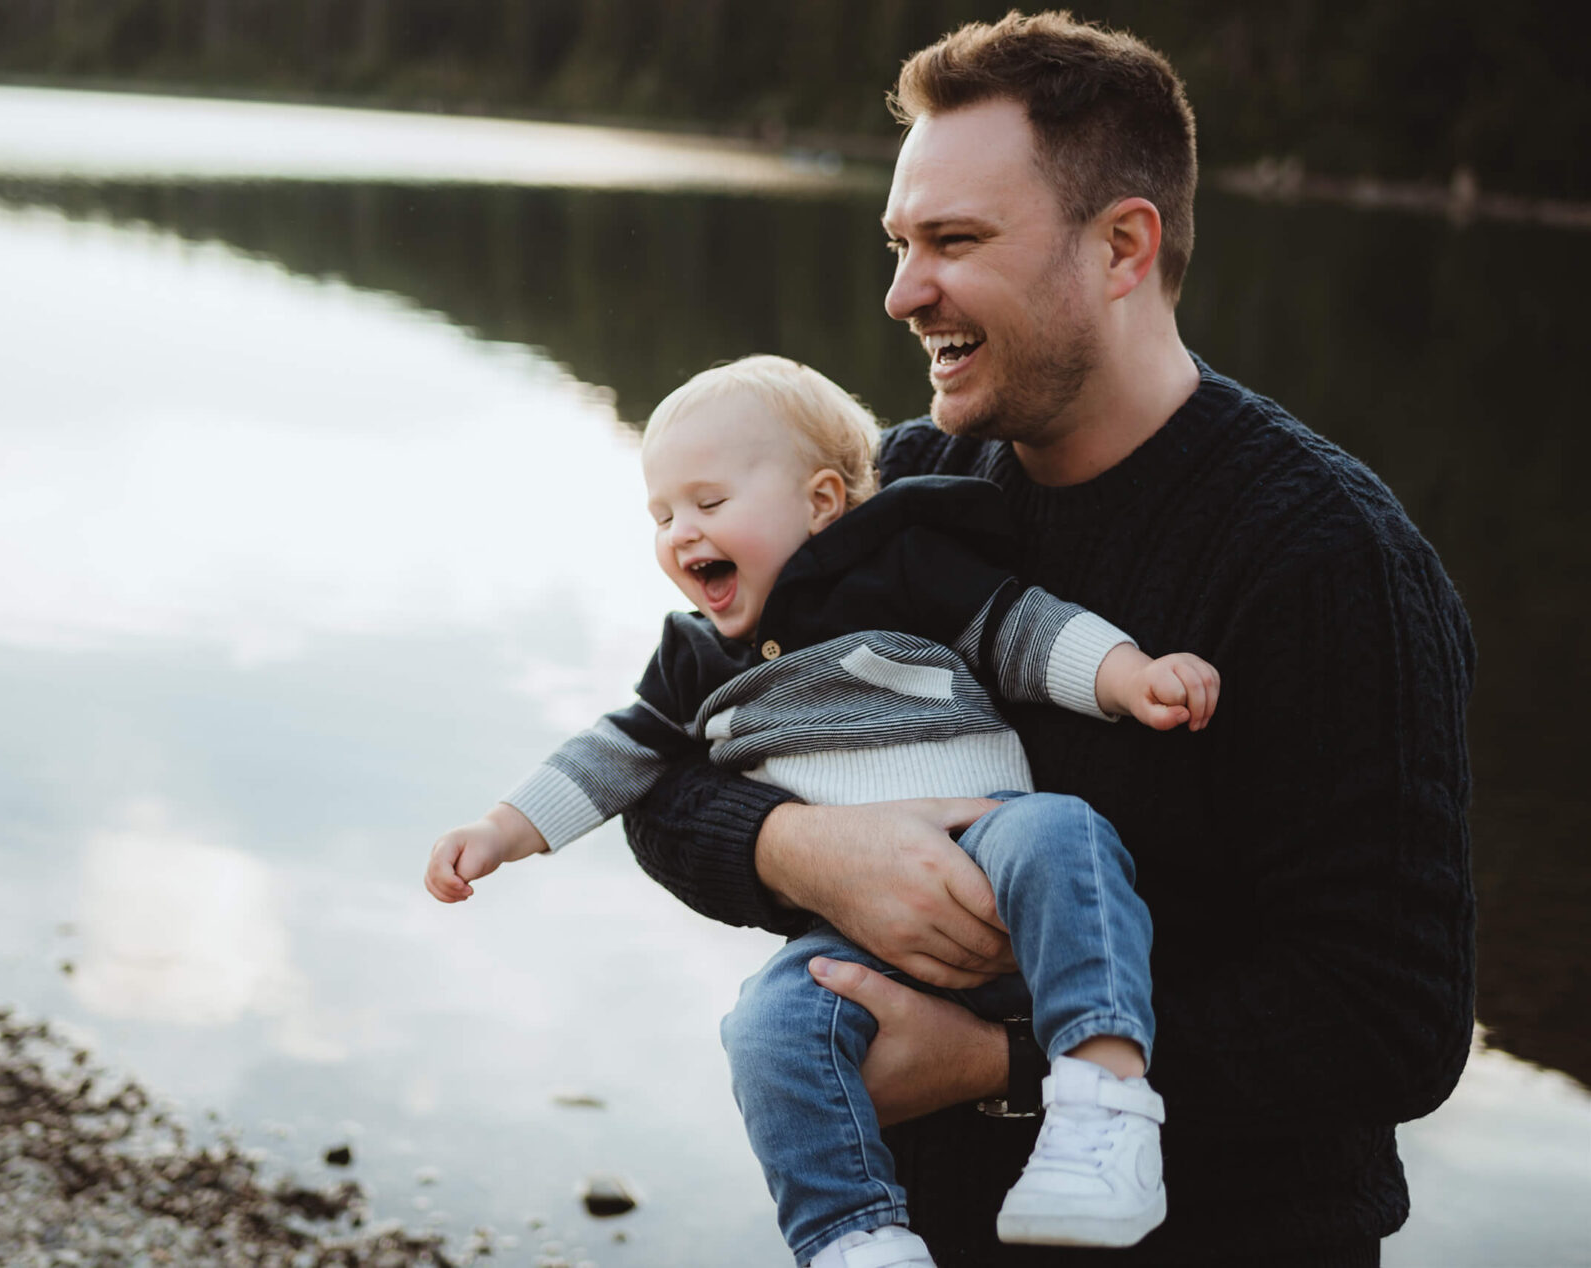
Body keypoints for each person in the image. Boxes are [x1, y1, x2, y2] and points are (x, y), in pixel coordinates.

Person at [623, 12, 1477, 1268]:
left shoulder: (1329, 561)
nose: (902, 292)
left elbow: (1387, 1021)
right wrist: (803, 848)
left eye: (953, 242)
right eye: (901, 243)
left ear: (1122, 245)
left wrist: (998, 1066)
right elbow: (662, 763)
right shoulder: (903, 483)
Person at [425, 354, 1220, 1264]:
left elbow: (1023, 630)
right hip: (857, 936)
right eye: (662, 514)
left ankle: (1103, 1108)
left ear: (823, 501)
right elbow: (615, 758)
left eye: (710, 504)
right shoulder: (693, 658)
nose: (682, 532)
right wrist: (500, 830)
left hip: (992, 845)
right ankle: (854, 1236)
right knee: (764, 1027)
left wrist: (1130, 677)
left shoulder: (904, 570)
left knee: (1065, 832)